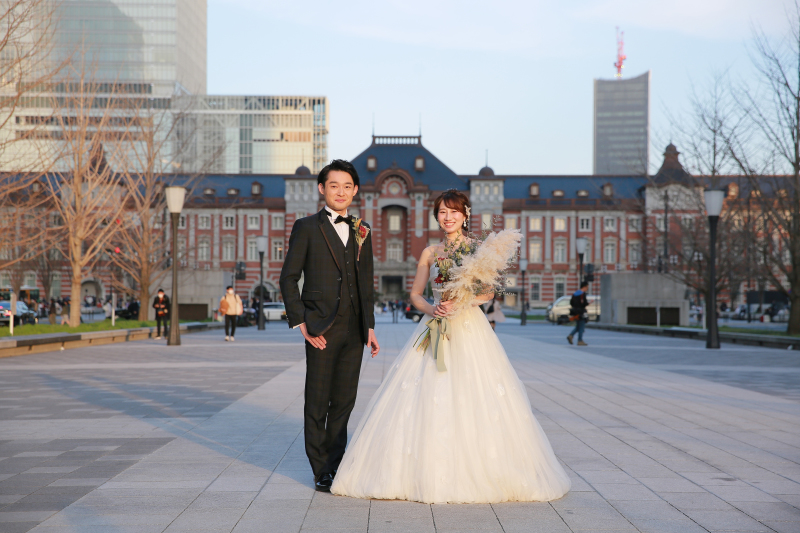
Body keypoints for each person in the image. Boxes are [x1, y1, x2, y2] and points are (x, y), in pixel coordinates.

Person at [331, 189, 570, 504]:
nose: (448, 217)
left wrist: (462, 301)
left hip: (469, 326)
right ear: (436, 216)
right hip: (434, 323)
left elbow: (488, 293)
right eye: (442, 212)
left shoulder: (478, 250)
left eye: (454, 211)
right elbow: (415, 294)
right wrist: (433, 309)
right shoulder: (430, 252)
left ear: (465, 214)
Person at [280, 159, 380, 493]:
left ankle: (336, 465)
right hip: (320, 327)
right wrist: (301, 322)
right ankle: (320, 469)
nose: (341, 192)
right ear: (322, 188)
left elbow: (365, 283)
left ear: (355, 190)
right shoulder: (306, 227)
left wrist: (369, 326)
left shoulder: (362, 230)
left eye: (347, 186)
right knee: (317, 400)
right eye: (334, 185)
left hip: (354, 330)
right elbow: (288, 277)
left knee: (344, 402)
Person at [567, 281, 590, 346]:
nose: (587, 288)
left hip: (575, 312)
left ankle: (571, 336)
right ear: (584, 287)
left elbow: (571, 302)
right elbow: (584, 304)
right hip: (581, 312)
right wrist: (589, 303)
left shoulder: (575, 293)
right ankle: (580, 340)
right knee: (581, 327)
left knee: (578, 326)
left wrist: (575, 307)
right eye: (587, 287)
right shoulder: (582, 294)